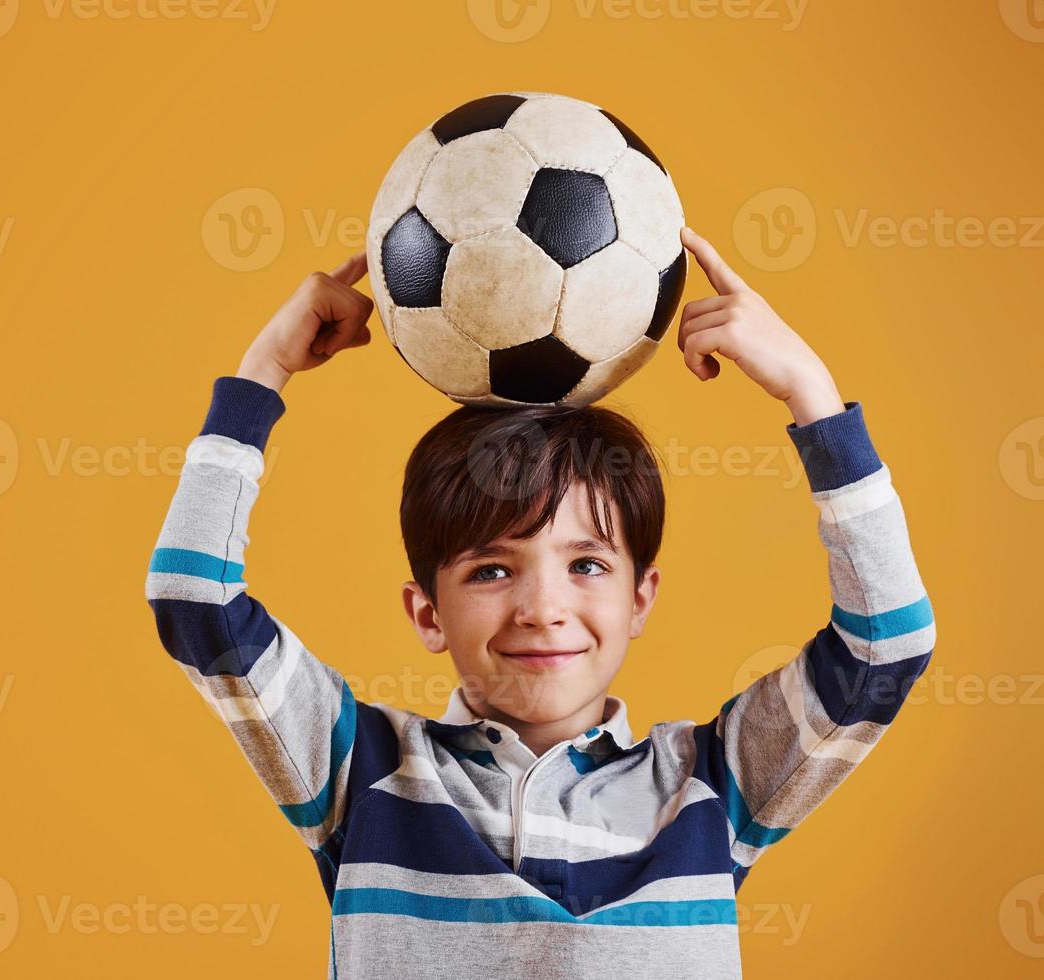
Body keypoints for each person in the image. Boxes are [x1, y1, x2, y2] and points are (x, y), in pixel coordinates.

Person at [144, 227, 936, 978]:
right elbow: (194, 601)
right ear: (427, 613)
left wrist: (814, 399)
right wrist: (263, 372)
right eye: (492, 571)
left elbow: (885, 646)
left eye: (587, 564)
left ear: (640, 599)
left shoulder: (710, 787)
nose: (542, 608)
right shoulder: (364, 776)